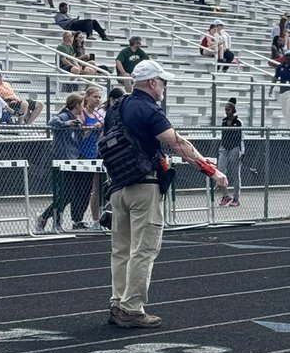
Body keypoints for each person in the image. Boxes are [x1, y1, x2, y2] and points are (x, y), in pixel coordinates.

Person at [99, 58, 227, 329]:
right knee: (143, 250)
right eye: (163, 82)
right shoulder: (148, 110)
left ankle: (117, 302)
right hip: (144, 186)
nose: (164, 87)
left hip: (118, 187)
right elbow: (177, 144)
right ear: (152, 83)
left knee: (120, 250)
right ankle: (132, 308)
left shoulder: (115, 108)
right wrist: (211, 170)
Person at [36, 93, 86, 232]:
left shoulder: (76, 119)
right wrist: (66, 124)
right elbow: (52, 122)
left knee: (69, 194)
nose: (83, 107)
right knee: (64, 194)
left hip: (72, 160)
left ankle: (47, 218)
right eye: (82, 104)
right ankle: (49, 219)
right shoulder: (65, 117)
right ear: (77, 105)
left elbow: (77, 140)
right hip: (62, 160)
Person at [73, 85, 105, 230]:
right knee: (79, 188)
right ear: (87, 97)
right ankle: (76, 219)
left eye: (99, 97)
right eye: (95, 97)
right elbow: (80, 133)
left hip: (95, 153)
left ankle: (83, 219)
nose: (98, 100)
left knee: (90, 190)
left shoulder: (98, 114)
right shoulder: (83, 113)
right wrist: (93, 128)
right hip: (82, 153)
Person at [217, 99, 243, 208]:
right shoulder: (224, 122)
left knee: (235, 173)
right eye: (225, 110)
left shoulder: (238, 122)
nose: (227, 112)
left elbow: (241, 138)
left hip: (235, 148)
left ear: (233, 110)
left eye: (228, 110)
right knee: (221, 171)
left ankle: (236, 198)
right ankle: (225, 195)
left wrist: (241, 151)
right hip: (225, 147)